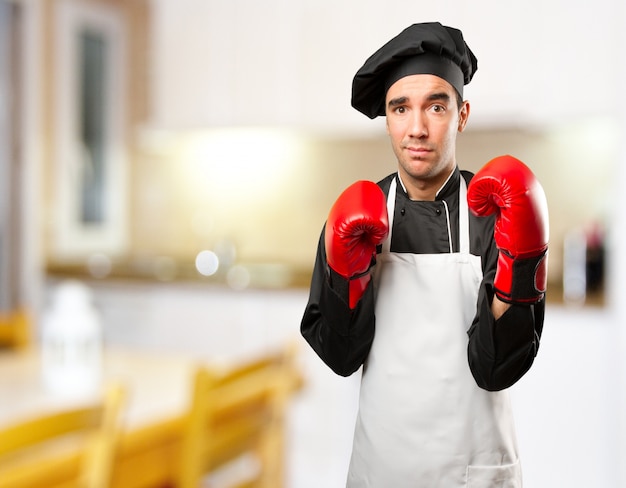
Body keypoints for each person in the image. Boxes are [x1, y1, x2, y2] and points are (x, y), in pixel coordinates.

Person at [300, 22, 548, 487]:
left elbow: (497, 370)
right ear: (388, 119)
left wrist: (520, 269)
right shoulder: (354, 216)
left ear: (462, 114)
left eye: (436, 105)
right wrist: (346, 274)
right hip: (384, 468)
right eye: (400, 108)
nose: (417, 128)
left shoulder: (496, 213)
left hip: (476, 471)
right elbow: (340, 356)